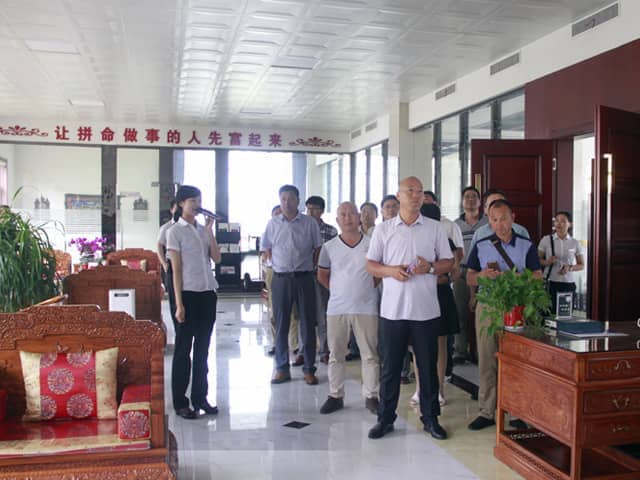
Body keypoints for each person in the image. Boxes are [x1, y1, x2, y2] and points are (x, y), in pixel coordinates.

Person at [366, 176, 453, 441]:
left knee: (427, 368)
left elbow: (448, 262)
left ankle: (430, 418)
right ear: (399, 196)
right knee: (391, 368)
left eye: (420, 191)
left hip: (425, 310)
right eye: (410, 191)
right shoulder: (383, 230)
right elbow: (371, 265)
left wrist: (431, 267)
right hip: (393, 311)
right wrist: (391, 271)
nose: (416, 195)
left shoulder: (435, 228)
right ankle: (385, 418)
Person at [466, 198, 542, 430]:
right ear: (489, 221)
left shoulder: (526, 245)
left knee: (517, 360)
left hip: (517, 307)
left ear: (513, 218)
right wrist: (482, 276)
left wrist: (516, 277)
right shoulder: (481, 245)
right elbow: (469, 277)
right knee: (487, 358)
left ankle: (518, 411)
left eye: (504, 219)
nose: (500, 224)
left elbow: (538, 276)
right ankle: (487, 411)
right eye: (494, 219)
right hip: (489, 306)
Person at [317, 202, 380, 415]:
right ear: (337, 220)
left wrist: (363, 290)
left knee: (369, 354)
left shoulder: (372, 244)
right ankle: (335, 395)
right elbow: (322, 275)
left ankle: (371, 396)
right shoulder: (329, 247)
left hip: (366, 307)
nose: (347, 218)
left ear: (359, 217)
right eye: (343, 215)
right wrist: (338, 290)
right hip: (337, 308)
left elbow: (377, 274)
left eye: (352, 214)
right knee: (336, 354)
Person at [166, 185, 221, 419]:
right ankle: (181, 402)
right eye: (192, 201)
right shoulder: (174, 232)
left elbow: (217, 258)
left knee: (202, 350)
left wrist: (210, 231)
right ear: (181, 204)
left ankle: (200, 398)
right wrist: (179, 304)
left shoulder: (202, 230)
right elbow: (176, 270)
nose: (197, 205)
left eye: (199, 200)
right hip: (187, 294)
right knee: (183, 350)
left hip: (207, 293)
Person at [261, 184, 321, 386]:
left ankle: (309, 369)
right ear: (280, 201)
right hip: (281, 279)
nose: (287, 203)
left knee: (307, 324)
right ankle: (282, 368)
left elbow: (317, 249)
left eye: (291, 199)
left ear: (298, 200)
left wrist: (311, 268)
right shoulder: (272, 224)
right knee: (281, 324)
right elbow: (266, 248)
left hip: (304, 278)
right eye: (283, 199)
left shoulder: (309, 223)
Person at [409, 203, 460, 408]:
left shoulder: (446, 240)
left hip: (441, 294)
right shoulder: (413, 239)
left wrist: (445, 278)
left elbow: (455, 270)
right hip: (419, 294)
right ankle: (420, 388)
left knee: (440, 344)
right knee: (417, 344)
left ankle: (439, 389)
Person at [262, 205, 300, 357]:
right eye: (276, 214)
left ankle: (294, 344)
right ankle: (276, 343)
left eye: (281, 213)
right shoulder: (270, 229)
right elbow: (264, 252)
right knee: (275, 311)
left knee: (294, 312)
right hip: (273, 272)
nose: (279, 216)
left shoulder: (293, 230)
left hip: (292, 273)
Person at [453, 187, 486, 363]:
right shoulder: (456, 224)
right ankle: (460, 350)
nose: (471, 200)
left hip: (484, 272)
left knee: (482, 314)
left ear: (480, 202)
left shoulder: (488, 222)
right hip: (462, 271)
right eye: (467, 197)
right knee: (460, 312)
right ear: (462, 201)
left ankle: (479, 351)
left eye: (474, 197)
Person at [305, 195, 338, 365]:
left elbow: (335, 256)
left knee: (323, 313)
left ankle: (324, 350)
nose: (311, 212)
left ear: (322, 211)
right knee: (304, 315)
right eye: (309, 209)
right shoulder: (301, 228)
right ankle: (303, 350)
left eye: (315, 209)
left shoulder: (330, 231)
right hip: (303, 276)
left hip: (322, 276)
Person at [538, 211, 584, 314]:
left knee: (565, 314)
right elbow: (537, 260)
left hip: (568, 283)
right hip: (550, 282)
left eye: (563, 221)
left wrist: (570, 268)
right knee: (547, 314)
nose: (559, 224)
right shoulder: (546, 240)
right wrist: (547, 262)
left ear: (570, 224)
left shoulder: (575, 243)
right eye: (557, 221)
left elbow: (581, 265)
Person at [157, 199, 177, 324]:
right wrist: (164, 263)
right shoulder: (166, 227)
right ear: (171, 210)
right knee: (174, 299)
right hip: (172, 265)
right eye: (176, 208)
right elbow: (159, 245)